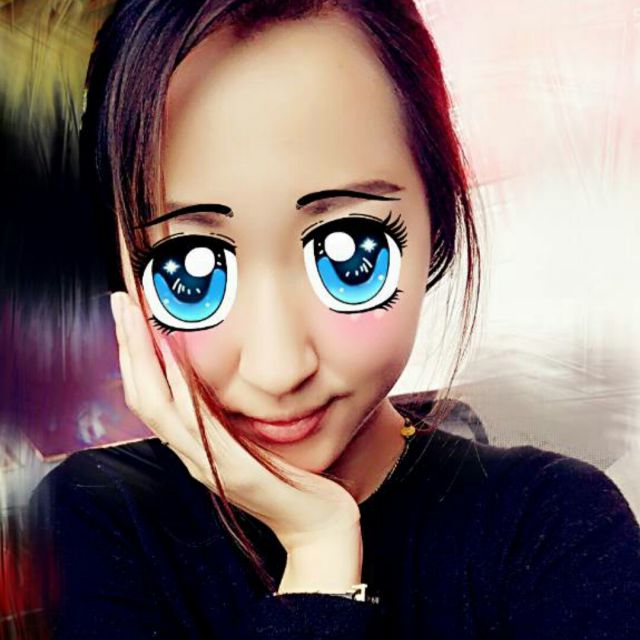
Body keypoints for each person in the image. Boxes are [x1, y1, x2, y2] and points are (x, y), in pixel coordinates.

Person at [27, 1, 640, 638]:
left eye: (351, 257)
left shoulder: (556, 528)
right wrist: (319, 554)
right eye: (191, 274)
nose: (278, 369)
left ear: (437, 223)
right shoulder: (102, 517)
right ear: (121, 273)